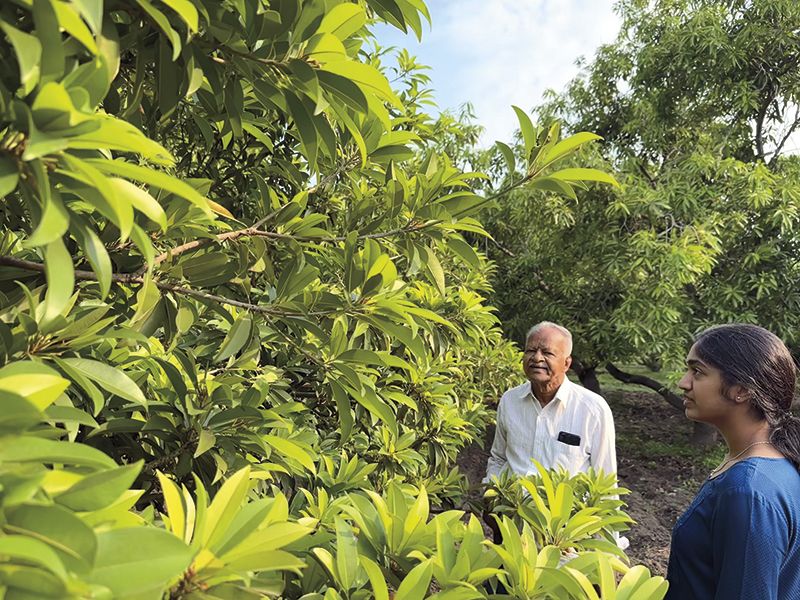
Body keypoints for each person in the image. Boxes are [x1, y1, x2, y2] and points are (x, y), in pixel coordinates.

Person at [666, 324, 800, 600]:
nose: (683, 382)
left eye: (698, 372)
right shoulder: (770, 465)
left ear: (741, 390)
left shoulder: (748, 491)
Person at [484, 321, 617, 480]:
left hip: (563, 504)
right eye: (531, 350)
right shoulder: (510, 400)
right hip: (511, 503)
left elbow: (605, 480)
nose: (537, 358)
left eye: (547, 353)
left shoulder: (593, 410)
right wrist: (491, 488)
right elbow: (498, 458)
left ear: (566, 363)